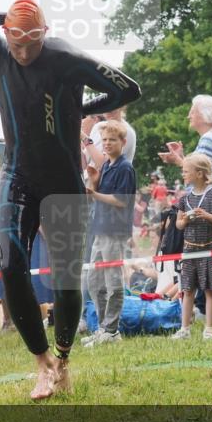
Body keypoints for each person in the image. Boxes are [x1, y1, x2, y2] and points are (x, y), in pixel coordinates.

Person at [0, 0, 140, 400]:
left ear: (44, 34)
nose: (22, 52)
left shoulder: (65, 56)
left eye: (30, 44)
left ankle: (64, 359)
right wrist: (4, 17)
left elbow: (127, 88)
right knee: (12, 263)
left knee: (67, 278)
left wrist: (83, 107)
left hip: (63, 182)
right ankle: (41, 363)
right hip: (16, 176)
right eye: (15, 43)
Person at [82, 119, 136, 347]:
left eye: (112, 140)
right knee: (94, 281)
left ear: (123, 142)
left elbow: (121, 201)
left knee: (113, 282)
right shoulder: (106, 166)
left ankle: (112, 330)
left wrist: (94, 194)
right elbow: (97, 194)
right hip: (99, 228)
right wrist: (93, 184)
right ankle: (104, 327)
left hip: (114, 231)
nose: (107, 144)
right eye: (104, 140)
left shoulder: (125, 168)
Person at [170, 153, 212, 341]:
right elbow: (178, 224)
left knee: (210, 290)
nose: (183, 174)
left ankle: (209, 328)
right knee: (187, 290)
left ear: (200, 174)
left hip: (209, 248)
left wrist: (207, 216)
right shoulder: (184, 199)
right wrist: (185, 219)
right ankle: (184, 328)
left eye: (186, 171)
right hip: (189, 249)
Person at [159, 95, 212, 191]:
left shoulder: (209, 139)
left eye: (192, 112)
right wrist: (181, 157)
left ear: (205, 115)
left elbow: (197, 171)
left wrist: (177, 160)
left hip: (208, 199)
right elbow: (199, 167)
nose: (188, 116)